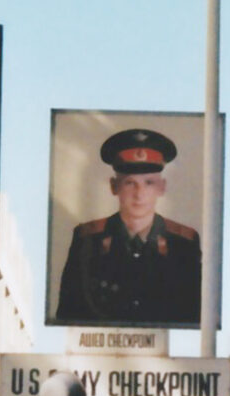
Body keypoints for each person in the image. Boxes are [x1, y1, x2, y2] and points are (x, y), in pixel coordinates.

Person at [55, 127, 201, 325]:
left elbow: (195, 315)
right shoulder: (87, 239)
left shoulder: (183, 243)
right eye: (130, 183)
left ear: (162, 187)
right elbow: (68, 314)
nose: (139, 194)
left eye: (149, 183)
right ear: (114, 186)